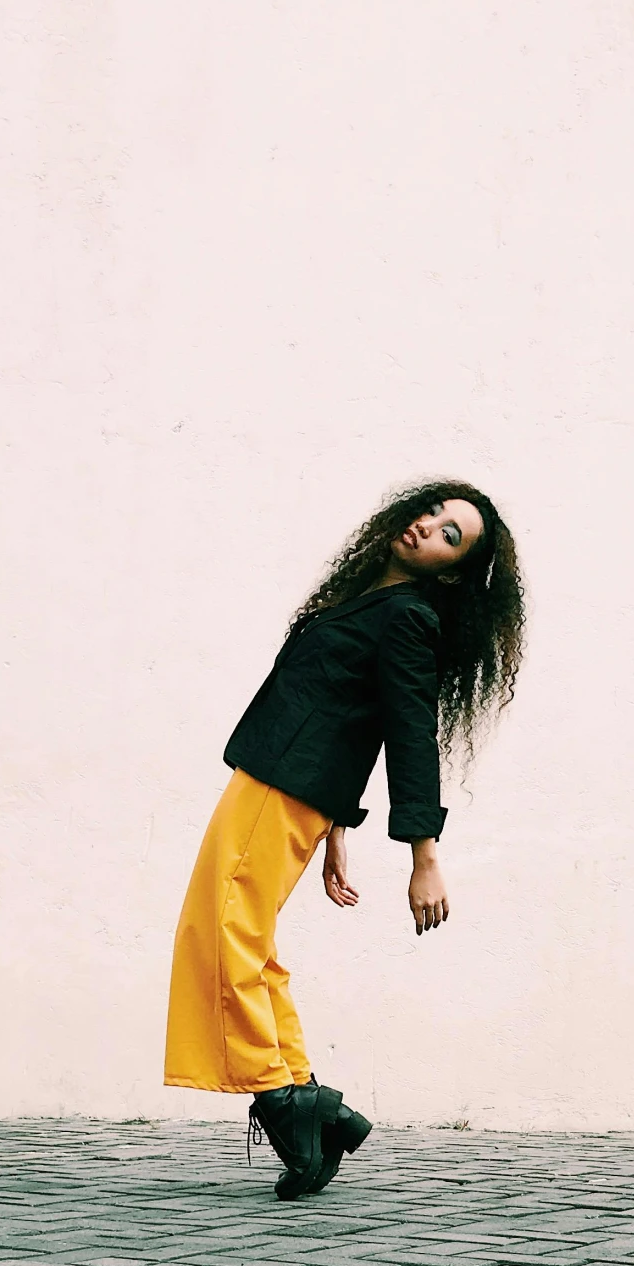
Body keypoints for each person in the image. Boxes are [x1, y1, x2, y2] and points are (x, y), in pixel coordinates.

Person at [164, 480, 525, 1198]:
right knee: (247, 941)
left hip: (278, 789)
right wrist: (333, 825)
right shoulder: (370, 600)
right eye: (432, 514)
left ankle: (289, 1105)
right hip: (282, 788)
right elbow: (344, 717)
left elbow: (409, 734)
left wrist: (423, 855)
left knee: (223, 934)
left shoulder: (407, 618)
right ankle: (309, 1103)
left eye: (450, 534)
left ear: (452, 572)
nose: (429, 528)